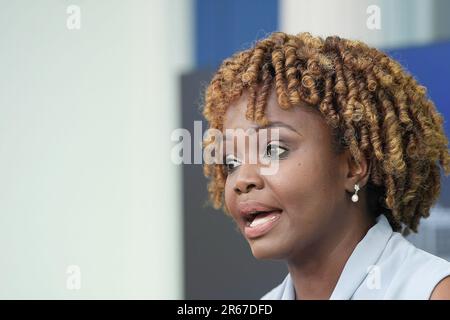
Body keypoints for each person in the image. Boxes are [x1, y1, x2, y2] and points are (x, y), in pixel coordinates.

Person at [201, 32, 450, 299]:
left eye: (273, 150)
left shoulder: (429, 291)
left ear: (353, 166)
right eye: (231, 162)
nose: (241, 181)